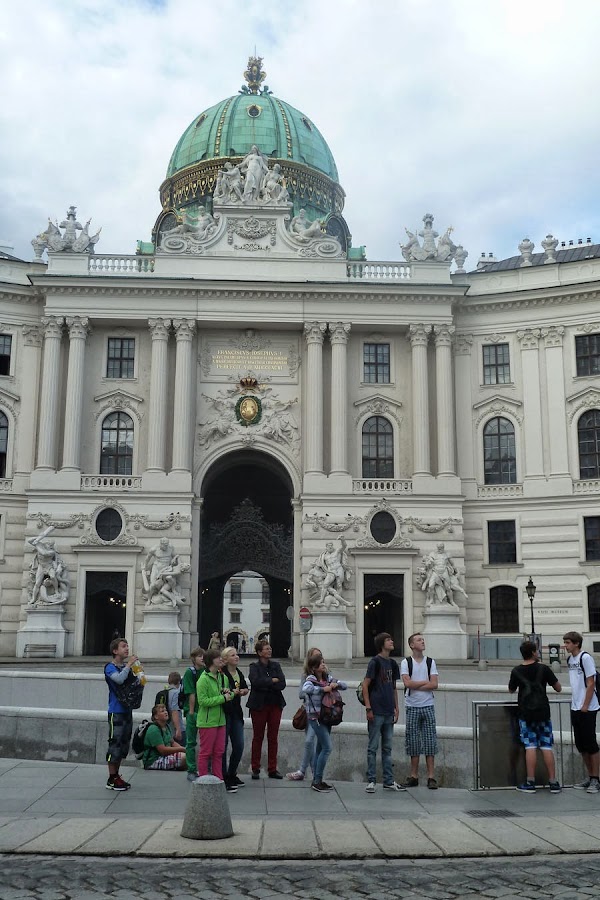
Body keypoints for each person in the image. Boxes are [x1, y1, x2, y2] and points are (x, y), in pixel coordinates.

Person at [508, 640, 562, 793]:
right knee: (546, 746)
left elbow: (511, 689)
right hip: (543, 713)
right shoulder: (543, 668)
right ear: (533, 652)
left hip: (526, 714)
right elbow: (558, 688)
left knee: (530, 746)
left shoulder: (516, 670)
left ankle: (530, 782)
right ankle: (553, 782)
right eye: (536, 650)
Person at [362, 632, 405, 793]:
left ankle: (388, 780)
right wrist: (368, 708)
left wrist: (396, 707)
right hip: (376, 710)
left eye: (391, 639)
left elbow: (393, 687)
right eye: (388, 640)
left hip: (388, 711)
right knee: (372, 747)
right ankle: (371, 780)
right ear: (382, 644)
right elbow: (365, 684)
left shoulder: (393, 664)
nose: (392, 641)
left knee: (387, 748)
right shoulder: (375, 662)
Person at [302, 652, 347, 792]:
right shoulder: (311, 679)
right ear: (314, 667)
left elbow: (344, 685)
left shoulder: (328, 677)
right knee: (327, 748)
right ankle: (317, 781)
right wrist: (322, 689)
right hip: (315, 717)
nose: (323, 665)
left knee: (320, 749)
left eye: (323, 662)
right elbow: (306, 689)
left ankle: (317, 779)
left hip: (327, 716)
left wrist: (335, 684)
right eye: (321, 663)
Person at [400, 633, 439, 789]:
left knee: (430, 741)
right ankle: (414, 776)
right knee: (413, 741)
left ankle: (431, 777)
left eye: (422, 639)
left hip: (428, 705)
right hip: (412, 705)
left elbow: (434, 684)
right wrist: (424, 682)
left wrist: (416, 684)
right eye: (419, 640)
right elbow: (407, 684)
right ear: (411, 645)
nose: (422, 641)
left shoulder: (430, 662)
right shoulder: (406, 662)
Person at [563, 631, 600, 792]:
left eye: (568, 642)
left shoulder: (585, 658)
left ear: (576, 643)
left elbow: (591, 683)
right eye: (565, 642)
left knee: (591, 744)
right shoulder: (570, 659)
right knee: (581, 744)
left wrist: (585, 705)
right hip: (575, 707)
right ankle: (590, 776)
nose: (565, 645)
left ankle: (596, 779)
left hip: (588, 707)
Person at [196, 648, 237, 790]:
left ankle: (219, 781)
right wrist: (223, 697)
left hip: (221, 720)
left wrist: (229, 693)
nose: (221, 659)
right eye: (218, 657)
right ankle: (203, 782)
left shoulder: (222, 677)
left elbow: (229, 694)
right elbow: (202, 701)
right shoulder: (203, 679)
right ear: (210, 661)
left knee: (219, 752)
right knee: (206, 752)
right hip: (208, 722)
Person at [247, 640, 286, 779]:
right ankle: (255, 768)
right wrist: (272, 681)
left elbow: (282, 683)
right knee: (258, 737)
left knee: (273, 737)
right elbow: (255, 682)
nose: (269, 650)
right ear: (259, 652)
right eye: (266, 649)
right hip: (259, 706)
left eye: (270, 648)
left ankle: (272, 769)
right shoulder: (254, 667)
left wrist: (267, 683)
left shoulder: (276, 665)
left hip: (275, 704)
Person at [104, 637, 138, 791]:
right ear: (115, 651)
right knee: (115, 744)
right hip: (116, 711)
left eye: (127, 646)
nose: (127, 648)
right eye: (123, 646)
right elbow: (119, 680)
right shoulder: (110, 667)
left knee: (123, 744)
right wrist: (129, 665)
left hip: (127, 710)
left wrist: (138, 671)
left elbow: (136, 682)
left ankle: (116, 775)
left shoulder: (125, 667)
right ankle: (111, 778)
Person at [286, 646, 321, 781]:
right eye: (315, 656)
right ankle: (311, 772)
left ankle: (308, 772)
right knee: (309, 742)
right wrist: (315, 689)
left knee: (314, 743)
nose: (318, 659)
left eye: (320, 656)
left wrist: (314, 690)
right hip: (309, 712)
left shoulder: (326, 675)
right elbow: (301, 693)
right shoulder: (305, 675)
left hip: (322, 714)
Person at [221, 646, 249, 789]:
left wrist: (244, 691)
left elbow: (244, 687)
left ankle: (232, 773)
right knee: (223, 746)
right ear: (225, 659)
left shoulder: (239, 672)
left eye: (236, 654)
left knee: (239, 745)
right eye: (232, 655)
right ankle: (223, 776)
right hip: (224, 712)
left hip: (237, 713)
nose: (236, 657)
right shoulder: (221, 674)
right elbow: (220, 690)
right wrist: (232, 691)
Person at [182, 647, 205, 782]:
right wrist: (191, 712)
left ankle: (203, 769)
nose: (202, 658)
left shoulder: (206, 670)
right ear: (193, 658)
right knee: (191, 742)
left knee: (205, 742)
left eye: (203, 656)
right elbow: (191, 693)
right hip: (193, 711)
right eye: (199, 656)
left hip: (204, 710)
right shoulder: (190, 672)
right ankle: (191, 769)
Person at [142, 704, 186, 770]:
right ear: (156, 716)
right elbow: (162, 750)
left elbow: (172, 742)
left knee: (188, 756)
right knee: (184, 757)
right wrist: (181, 749)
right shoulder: (154, 729)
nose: (166, 712)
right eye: (162, 711)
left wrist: (184, 749)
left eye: (166, 710)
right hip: (154, 760)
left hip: (165, 757)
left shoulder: (166, 726)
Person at [166, 671, 185, 747]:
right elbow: (175, 711)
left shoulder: (166, 691)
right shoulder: (176, 693)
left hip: (167, 728)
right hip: (176, 728)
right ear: (179, 681)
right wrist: (178, 729)